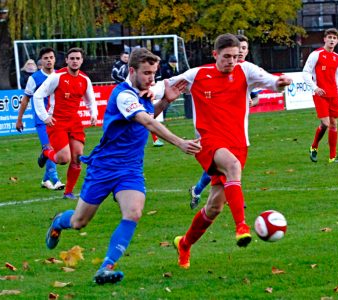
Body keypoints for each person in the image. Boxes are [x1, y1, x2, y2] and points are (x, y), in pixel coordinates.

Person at [43, 48, 201, 285]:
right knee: (79, 222)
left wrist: (166, 100)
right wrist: (179, 142)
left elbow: (148, 115)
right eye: (146, 73)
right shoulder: (123, 95)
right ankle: (58, 221)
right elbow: (146, 120)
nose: (151, 78)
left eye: (153, 73)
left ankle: (106, 267)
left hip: (130, 169)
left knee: (134, 212)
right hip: (104, 168)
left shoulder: (142, 95)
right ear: (131, 70)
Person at [166, 33, 292, 269]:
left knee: (214, 206)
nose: (232, 61)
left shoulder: (246, 70)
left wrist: (280, 83)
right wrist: (149, 91)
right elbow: (168, 84)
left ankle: (184, 243)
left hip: (238, 144)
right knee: (232, 167)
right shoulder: (197, 74)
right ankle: (241, 227)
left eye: (235, 56)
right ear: (215, 55)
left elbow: (269, 81)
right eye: (226, 57)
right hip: (208, 141)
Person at [188, 34, 255, 210]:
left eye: (243, 50)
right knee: (228, 166)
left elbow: (254, 98)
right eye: (232, 53)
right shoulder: (205, 74)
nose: (239, 54)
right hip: (216, 134)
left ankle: (199, 192)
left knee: (214, 204)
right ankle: (240, 218)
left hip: (238, 134)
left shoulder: (248, 71)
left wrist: (250, 101)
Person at [33, 47, 98, 199]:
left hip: (74, 121)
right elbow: (37, 95)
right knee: (63, 159)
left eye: (78, 58)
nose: (75, 61)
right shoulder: (57, 76)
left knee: (78, 157)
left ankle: (68, 192)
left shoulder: (85, 79)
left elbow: (91, 101)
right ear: (67, 60)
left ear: (82, 61)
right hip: (57, 121)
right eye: (72, 58)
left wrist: (93, 114)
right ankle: (46, 152)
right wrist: (44, 116)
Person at [16, 47, 65, 190]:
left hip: (57, 119)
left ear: (55, 59)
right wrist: (19, 119)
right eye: (45, 58)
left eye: (51, 57)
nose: (49, 60)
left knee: (55, 149)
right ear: (41, 62)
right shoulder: (34, 78)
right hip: (41, 120)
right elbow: (25, 100)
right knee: (51, 148)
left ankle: (45, 179)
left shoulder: (60, 76)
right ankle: (55, 180)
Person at [303, 28, 338, 164]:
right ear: (324, 39)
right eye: (329, 37)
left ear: (337, 41)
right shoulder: (316, 54)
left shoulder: (337, 58)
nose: (332, 40)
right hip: (320, 94)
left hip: (333, 95)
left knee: (334, 124)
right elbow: (305, 73)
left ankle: (332, 157)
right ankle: (314, 146)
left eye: (334, 38)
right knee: (325, 123)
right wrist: (315, 88)